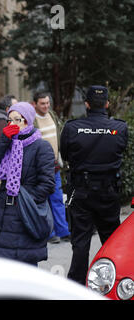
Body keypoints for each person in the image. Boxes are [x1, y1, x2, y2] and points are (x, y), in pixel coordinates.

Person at [60, 85, 128, 285]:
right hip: (108, 192)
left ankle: (77, 287)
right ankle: (116, 284)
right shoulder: (120, 128)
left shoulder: (72, 128)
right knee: (112, 241)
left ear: (87, 104)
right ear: (107, 104)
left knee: (80, 242)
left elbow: (65, 156)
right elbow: (121, 151)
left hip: (81, 191)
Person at [0, 102, 56, 265]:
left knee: (24, 266)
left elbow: (48, 183)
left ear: (28, 121)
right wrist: (3, 141)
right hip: (3, 211)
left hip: (24, 213)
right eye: (9, 120)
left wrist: (27, 200)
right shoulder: (7, 144)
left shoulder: (41, 147)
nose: (12, 124)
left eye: (17, 120)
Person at [33, 92, 70, 244]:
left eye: (48, 103)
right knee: (43, 201)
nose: (46, 106)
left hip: (54, 166)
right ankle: (50, 233)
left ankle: (63, 231)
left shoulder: (52, 115)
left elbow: (58, 137)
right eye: (42, 103)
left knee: (57, 200)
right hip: (40, 168)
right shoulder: (32, 119)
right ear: (35, 104)